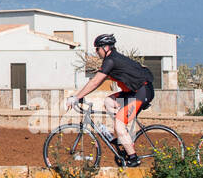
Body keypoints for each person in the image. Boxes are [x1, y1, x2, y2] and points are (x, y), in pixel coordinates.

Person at [65, 33, 154, 167]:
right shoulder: (112, 59)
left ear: (105, 48)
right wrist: (81, 95)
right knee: (108, 101)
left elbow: (95, 82)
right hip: (132, 92)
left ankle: (133, 158)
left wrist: (77, 97)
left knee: (119, 123)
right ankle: (122, 136)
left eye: (97, 49)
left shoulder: (111, 60)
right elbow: (98, 81)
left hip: (142, 92)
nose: (96, 52)